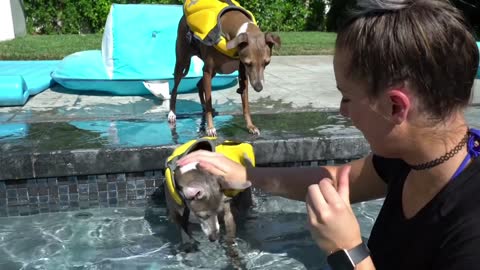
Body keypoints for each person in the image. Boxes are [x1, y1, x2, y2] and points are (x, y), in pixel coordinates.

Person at [177, 0, 480, 269]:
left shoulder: (471, 230)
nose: (341, 111)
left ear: (394, 105)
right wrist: (247, 175)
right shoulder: (411, 159)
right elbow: (335, 178)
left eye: (346, 97)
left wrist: (348, 252)